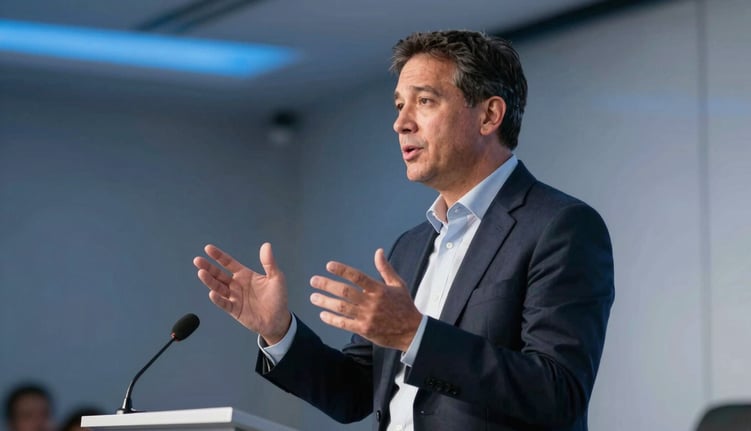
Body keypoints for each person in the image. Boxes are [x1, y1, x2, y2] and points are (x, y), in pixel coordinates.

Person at [194, 30, 614, 431]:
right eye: (399, 106)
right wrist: (278, 331)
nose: (401, 124)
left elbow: (559, 392)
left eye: (425, 101)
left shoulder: (560, 227)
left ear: (489, 115)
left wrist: (416, 335)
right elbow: (355, 393)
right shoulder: (411, 247)